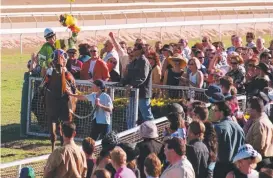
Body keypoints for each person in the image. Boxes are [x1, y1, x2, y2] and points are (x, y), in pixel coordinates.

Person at [209, 97, 245, 178]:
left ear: (221, 112)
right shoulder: (239, 128)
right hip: (236, 168)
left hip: (221, 168)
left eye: (215, 111)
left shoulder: (218, 128)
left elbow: (214, 150)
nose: (214, 113)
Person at [120, 43, 154, 124]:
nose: (133, 51)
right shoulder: (134, 61)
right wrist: (122, 83)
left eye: (135, 50)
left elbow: (142, 77)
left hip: (142, 93)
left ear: (140, 50)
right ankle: (130, 134)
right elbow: (129, 75)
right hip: (133, 93)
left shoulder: (144, 61)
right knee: (130, 115)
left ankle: (153, 133)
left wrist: (132, 85)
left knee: (147, 115)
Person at [245, 97, 273, 170]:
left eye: (249, 108)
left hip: (259, 162)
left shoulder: (259, 124)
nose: (247, 110)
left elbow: (258, 146)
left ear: (254, 110)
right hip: (266, 159)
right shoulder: (266, 121)